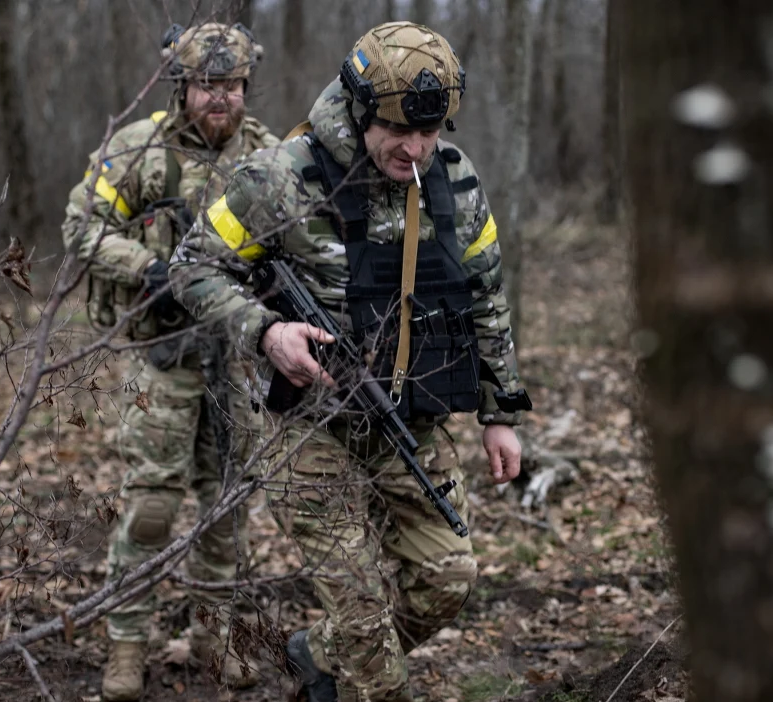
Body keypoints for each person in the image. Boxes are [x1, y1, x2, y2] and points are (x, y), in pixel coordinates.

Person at [168, 21, 533, 702]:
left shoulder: (454, 178)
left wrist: (500, 413)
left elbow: (486, 293)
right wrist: (266, 331)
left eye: (428, 131)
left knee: (447, 580)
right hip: (308, 426)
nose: (414, 148)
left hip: (408, 417)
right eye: (397, 129)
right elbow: (191, 266)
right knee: (365, 621)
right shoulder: (280, 177)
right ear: (362, 109)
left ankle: (316, 656)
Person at [59, 21, 281, 700]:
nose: (221, 98)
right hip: (163, 355)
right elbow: (81, 226)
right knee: (152, 506)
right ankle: (127, 646)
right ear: (182, 87)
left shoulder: (269, 157)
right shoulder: (141, 150)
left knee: (228, 507)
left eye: (233, 85)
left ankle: (217, 638)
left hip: (239, 360)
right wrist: (147, 267)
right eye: (207, 85)